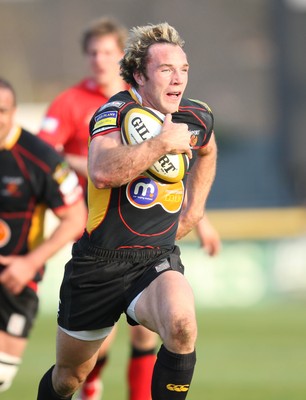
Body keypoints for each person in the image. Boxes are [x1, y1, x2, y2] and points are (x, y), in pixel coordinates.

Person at [38, 17, 220, 400]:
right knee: (69, 378)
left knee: (183, 325)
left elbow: (207, 146)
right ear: (139, 74)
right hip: (98, 263)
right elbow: (102, 172)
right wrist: (160, 145)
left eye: (183, 69)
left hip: (155, 259)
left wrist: (196, 211)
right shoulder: (114, 112)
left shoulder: (195, 115)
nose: (178, 79)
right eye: (166, 69)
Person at [0, 77, 87, 393]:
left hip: (14, 281)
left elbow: (76, 217)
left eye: (2, 110)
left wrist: (29, 263)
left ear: (14, 113)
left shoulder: (41, 158)